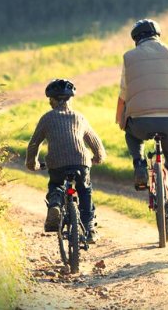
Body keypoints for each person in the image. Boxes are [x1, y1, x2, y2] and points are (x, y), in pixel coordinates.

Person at [115, 19, 168, 231]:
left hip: (140, 121)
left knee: (131, 133)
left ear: (136, 39)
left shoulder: (129, 57)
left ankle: (139, 164)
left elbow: (124, 92)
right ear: (157, 34)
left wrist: (120, 119)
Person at [26, 79, 106, 243]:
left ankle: (55, 203)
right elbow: (96, 144)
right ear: (71, 100)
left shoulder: (47, 118)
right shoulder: (79, 117)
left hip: (56, 163)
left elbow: (34, 143)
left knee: (56, 184)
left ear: (52, 101)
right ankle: (89, 228)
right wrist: (98, 158)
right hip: (81, 161)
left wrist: (32, 163)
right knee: (85, 191)